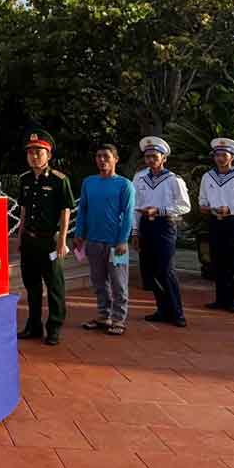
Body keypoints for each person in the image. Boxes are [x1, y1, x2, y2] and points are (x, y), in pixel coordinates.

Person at [15, 130, 74, 346]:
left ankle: (54, 327)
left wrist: (62, 240)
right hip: (30, 239)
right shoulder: (25, 179)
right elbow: (23, 211)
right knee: (32, 285)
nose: (34, 156)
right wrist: (20, 236)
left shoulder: (60, 180)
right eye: (30, 152)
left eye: (38, 152)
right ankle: (34, 325)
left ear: (48, 155)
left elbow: (65, 211)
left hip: (50, 240)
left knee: (54, 286)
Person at [74, 144, 136, 336]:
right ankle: (103, 316)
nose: (102, 160)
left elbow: (128, 215)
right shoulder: (89, 182)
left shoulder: (125, 184)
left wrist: (123, 240)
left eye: (106, 156)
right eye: (99, 156)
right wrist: (79, 233)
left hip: (116, 244)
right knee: (99, 282)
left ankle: (118, 319)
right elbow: (82, 210)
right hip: (93, 241)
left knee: (119, 283)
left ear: (115, 159)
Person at [132, 136, 191, 326]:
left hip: (164, 225)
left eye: (154, 156)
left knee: (166, 269)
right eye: (147, 156)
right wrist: (135, 231)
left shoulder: (174, 179)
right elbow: (134, 206)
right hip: (145, 225)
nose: (150, 160)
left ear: (163, 158)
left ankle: (177, 312)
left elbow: (185, 206)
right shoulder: (140, 178)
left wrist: (160, 211)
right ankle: (162, 309)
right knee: (151, 270)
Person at [199, 137, 234, 314]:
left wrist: (231, 209)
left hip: (233, 222)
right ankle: (221, 299)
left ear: (232, 157)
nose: (220, 158)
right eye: (217, 155)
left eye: (224, 155)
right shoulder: (208, 176)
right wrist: (204, 206)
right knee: (218, 261)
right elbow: (202, 198)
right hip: (215, 221)